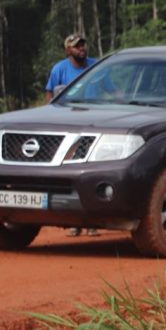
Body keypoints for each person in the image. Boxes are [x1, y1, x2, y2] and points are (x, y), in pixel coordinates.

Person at [47, 34, 100, 237]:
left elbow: (112, 90)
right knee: (70, 171)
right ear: (68, 50)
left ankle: (93, 221)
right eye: (77, 46)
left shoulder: (95, 66)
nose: (81, 49)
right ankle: (74, 221)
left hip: (95, 124)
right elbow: (50, 93)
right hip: (69, 125)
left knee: (92, 170)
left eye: (83, 45)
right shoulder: (59, 69)